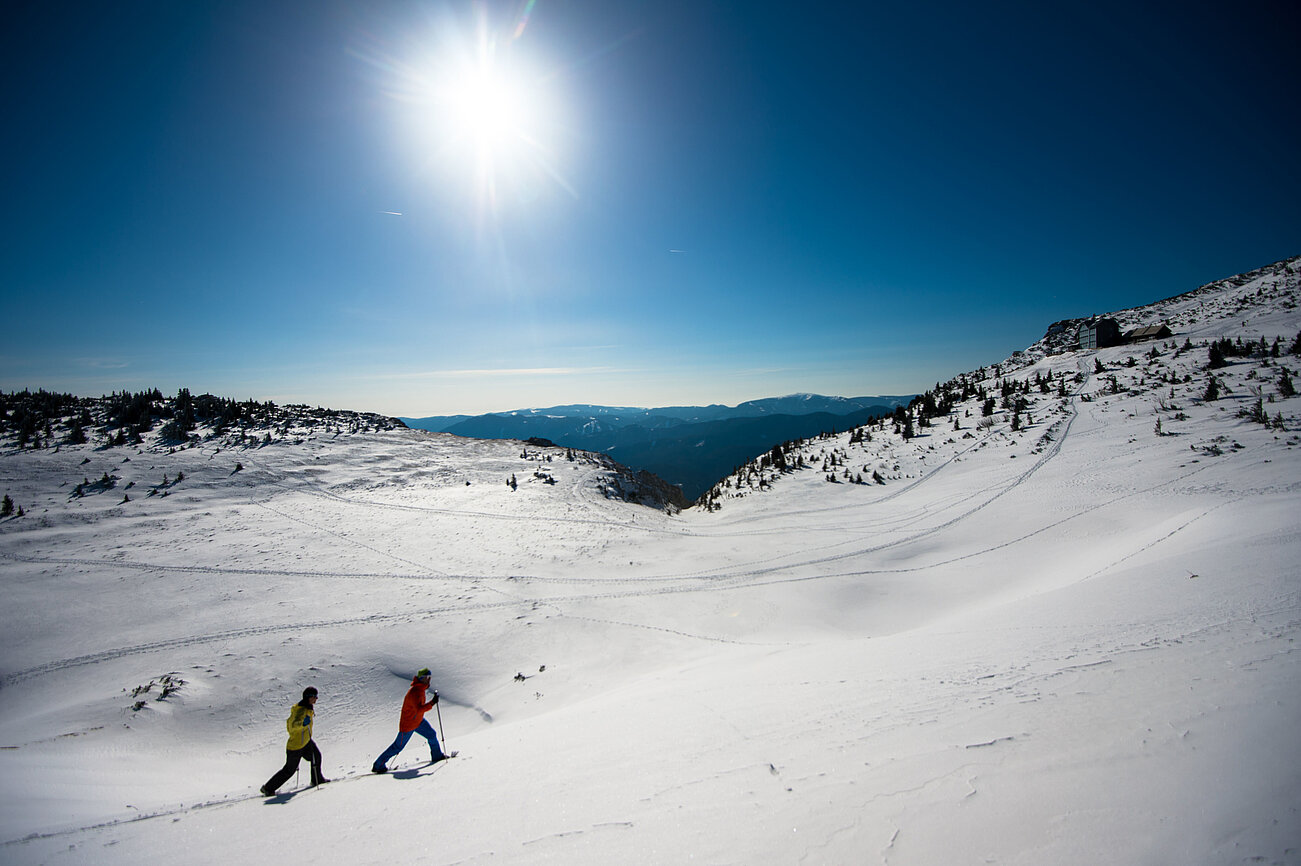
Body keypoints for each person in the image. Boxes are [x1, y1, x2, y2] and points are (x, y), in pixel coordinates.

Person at [372, 668, 447, 773]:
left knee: (431, 734)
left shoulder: (420, 689)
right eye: (427, 677)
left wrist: (432, 702)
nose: (429, 680)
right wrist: (432, 703)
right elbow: (419, 710)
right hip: (409, 724)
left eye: (429, 677)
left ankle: (437, 755)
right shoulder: (415, 692)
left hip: (417, 721)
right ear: (422, 678)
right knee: (398, 746)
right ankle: (378, 765)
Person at [261, 687, 328, 795]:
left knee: (316, 756)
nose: (316, 699)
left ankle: (317, 779)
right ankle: (268, 788)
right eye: (314, 696)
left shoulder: (308, 707)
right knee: (289, 770)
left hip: (305, 742)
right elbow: (291, 726)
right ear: (308, 697)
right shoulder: (300, 710)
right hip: (296, 746)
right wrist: (302, 724)